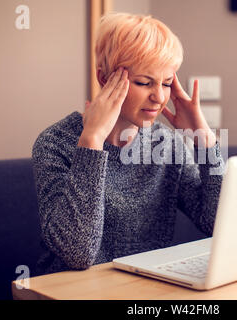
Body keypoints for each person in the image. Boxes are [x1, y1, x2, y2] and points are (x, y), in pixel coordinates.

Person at [32, 12, 225, 275]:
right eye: (144, 82)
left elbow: (219, 225)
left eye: (166, 83)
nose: (159, 97)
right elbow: (78, 253)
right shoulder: (56, 143)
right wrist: (92, 142)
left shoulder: (166, 144)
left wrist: (204, 139)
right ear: (104, 79)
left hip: (142, 289)